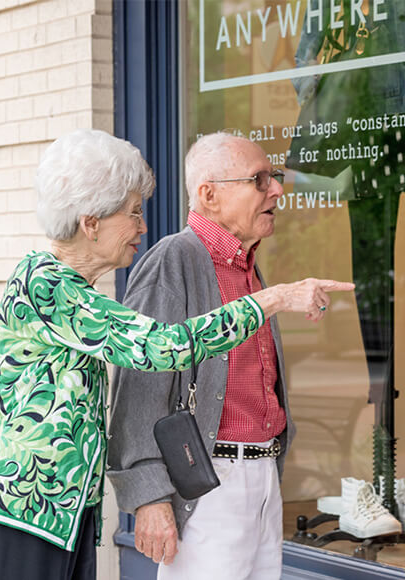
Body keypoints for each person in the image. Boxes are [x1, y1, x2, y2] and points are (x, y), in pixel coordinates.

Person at [0, 128, 353, 580]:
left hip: (58, 509)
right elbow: (160, 348)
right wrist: (273, 300)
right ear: (91, 222)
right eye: (133, 213)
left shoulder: (78, 292)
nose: (143, 226)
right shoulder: (45, 284)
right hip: (15, 507)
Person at [107, 131, 354, 580]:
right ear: (210, 195)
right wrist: (148, 496)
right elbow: (139, 381)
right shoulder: (174, 259)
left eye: (274, 178)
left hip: (260, 477)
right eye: (260, 180)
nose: (277, 190)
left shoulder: (245, 263)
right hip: (208, 483)